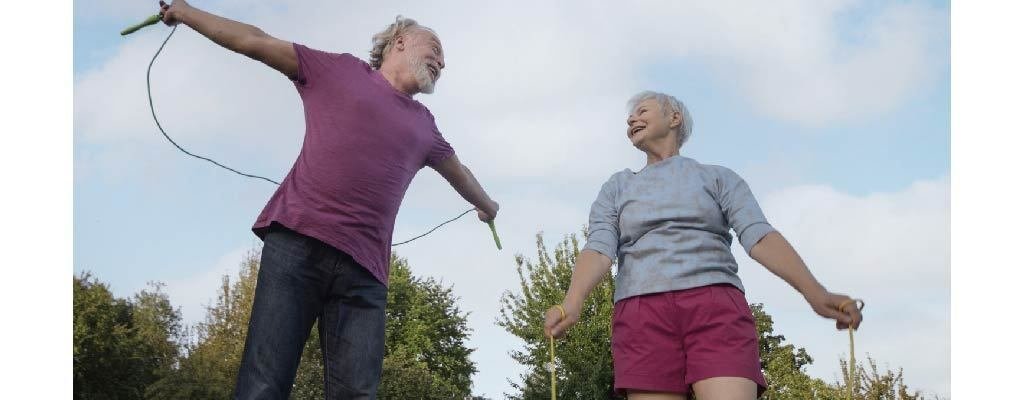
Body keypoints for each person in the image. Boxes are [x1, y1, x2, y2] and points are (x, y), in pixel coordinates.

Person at [158, 1, 500, 398]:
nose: (442, 61)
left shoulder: (426, 126)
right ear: (401, 41)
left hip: (365, 275)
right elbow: (254, 40)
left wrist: (487, 206)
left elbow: (460, 173)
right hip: (297, 245)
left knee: (357, 393)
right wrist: (184, 12)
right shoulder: (337, 70)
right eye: (436, 48)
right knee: (264, 383)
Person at [543, 90, 863, 400]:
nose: (631, 119)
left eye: (642, 111)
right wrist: (573, 301)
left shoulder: (718, 178)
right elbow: (599, 248)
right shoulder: (616, 187)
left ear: (674, 118)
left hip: (716, 306)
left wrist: (815, 292)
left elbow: (760, 236)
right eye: (629, 117)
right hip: (641, 313)